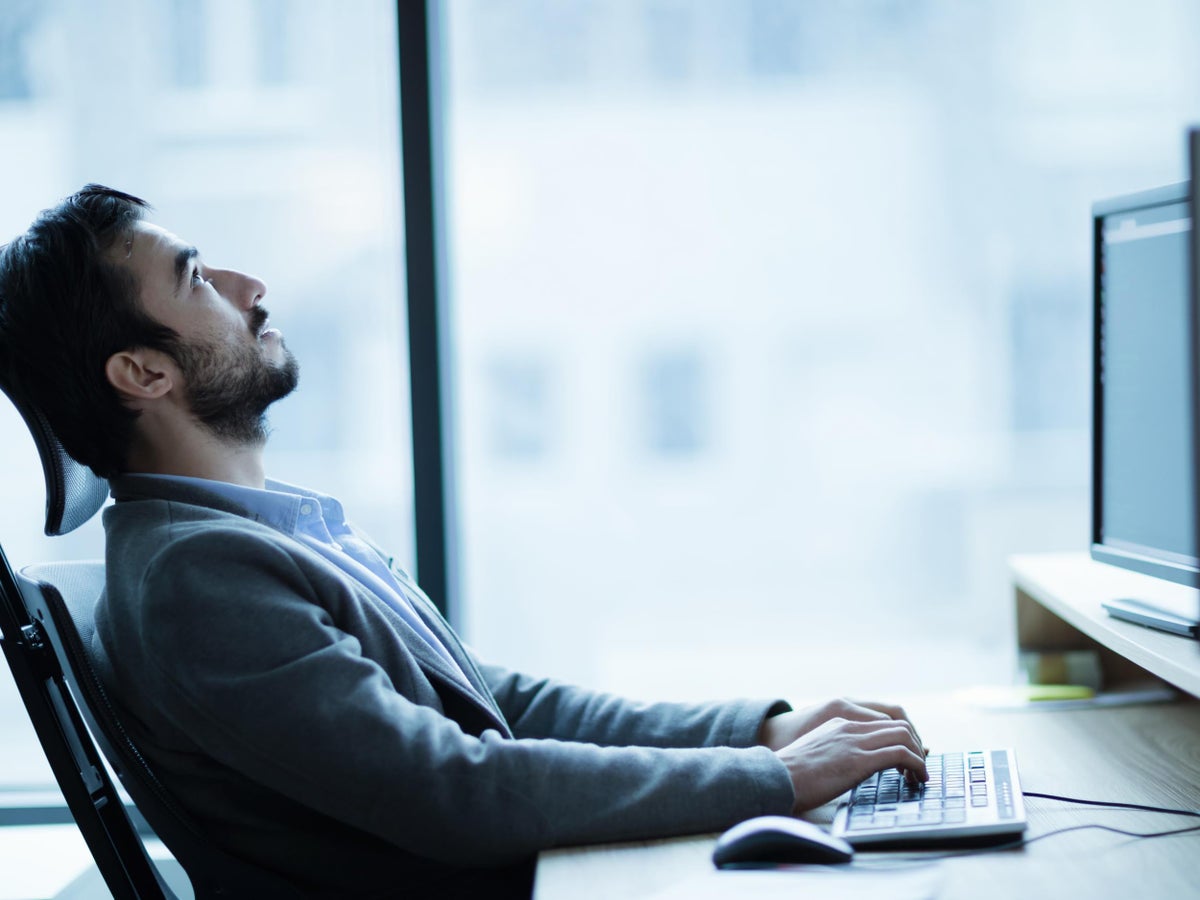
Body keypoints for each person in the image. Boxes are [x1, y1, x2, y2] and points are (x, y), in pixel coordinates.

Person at [0, 185, 927, 898]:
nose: (250, 286)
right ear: (142, 371)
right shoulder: (197, 577)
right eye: (197, 277)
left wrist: (758, 734)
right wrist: (767, 780)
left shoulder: (248, 530)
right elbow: (452, 790)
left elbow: (492, 702)